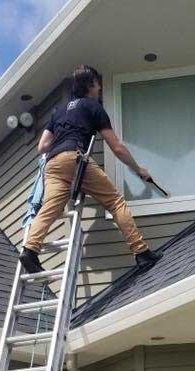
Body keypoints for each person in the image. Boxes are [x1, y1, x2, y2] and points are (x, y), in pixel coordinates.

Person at [20, 64, 163, 275]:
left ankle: (30, 250)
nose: (100, 89)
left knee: (49, 208)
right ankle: (141, 252)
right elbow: (116, 147)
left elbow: (42, 146)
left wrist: (63, 139)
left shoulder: (59, 111)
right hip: (75, 159)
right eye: (98, 85)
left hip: (53, 164)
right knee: (116, 202)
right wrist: (138, 169)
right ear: (90, 85)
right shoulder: (93, 108)